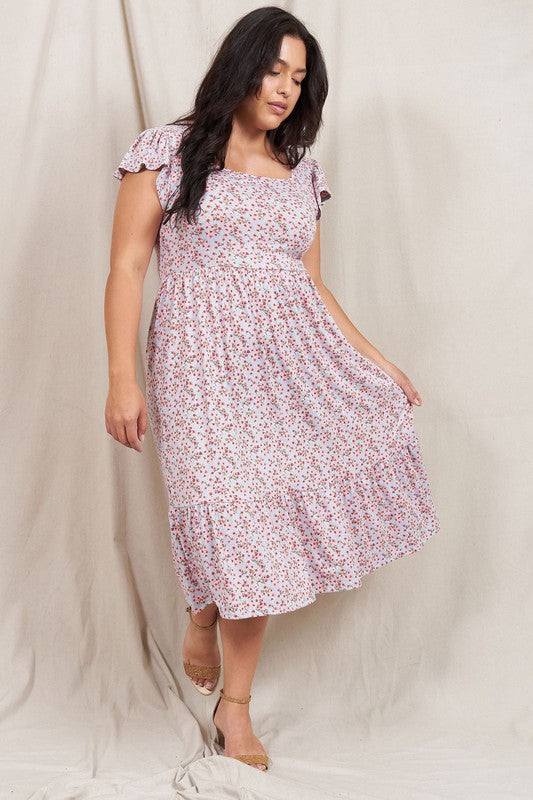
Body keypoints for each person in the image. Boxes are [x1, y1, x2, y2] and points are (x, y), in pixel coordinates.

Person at [105, 6, 439, 773]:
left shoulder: (301, 173)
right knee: (224, 511)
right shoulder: (168, 151)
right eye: (273, 69)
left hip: (291, 366)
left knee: (261, 529)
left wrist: (376, 361)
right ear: (240, 64)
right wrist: (122, 376)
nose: (285, 89)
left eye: (299, 77)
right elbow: (127, 267)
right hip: (196, 362)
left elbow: (312, 286)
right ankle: (202, 607)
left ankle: (236, 706)